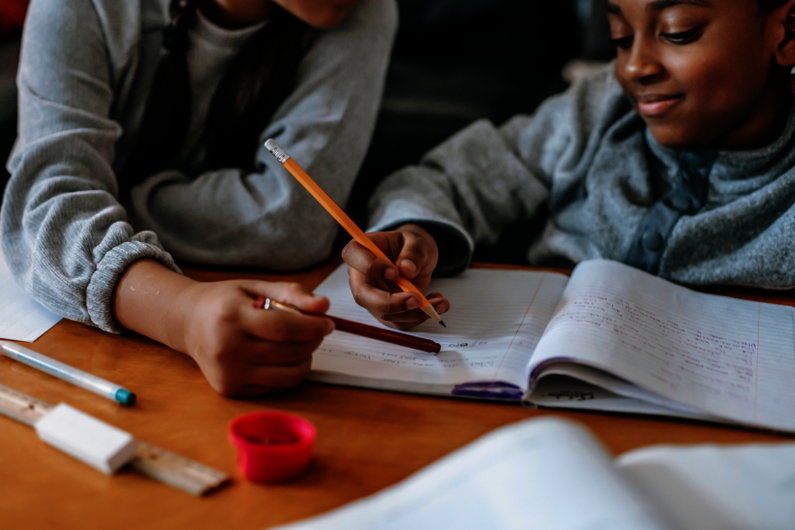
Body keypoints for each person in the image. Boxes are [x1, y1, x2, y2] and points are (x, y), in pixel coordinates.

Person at [0, 0, 396, 395]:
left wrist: (109, 200)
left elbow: (292, 219)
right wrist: (182, 313)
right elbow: (45, 210)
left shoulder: (364, 10)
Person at [342, 0, 795, 329]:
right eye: (620, 37)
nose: (634, 66)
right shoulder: (597, 107)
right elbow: (442, 179)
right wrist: (417, 235)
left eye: (678, 32)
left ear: (787, 32)